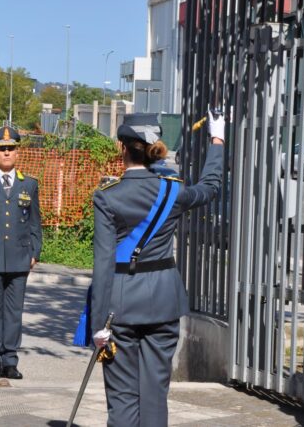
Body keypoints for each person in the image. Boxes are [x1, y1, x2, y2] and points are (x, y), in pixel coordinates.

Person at [90, 112, 225, 425]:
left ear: (122, 148)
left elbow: (103, 262)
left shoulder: (108, 196)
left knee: (123, 398)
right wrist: (217, 140)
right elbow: (211, 187)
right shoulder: (173, 191)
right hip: (164, 302)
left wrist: (98, 324)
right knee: (155, 395)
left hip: (121, 307)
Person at [0, 126, 42, 380]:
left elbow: (35, 221)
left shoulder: (30, 183)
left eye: (11, 148)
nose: (7, 153)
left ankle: (10, 359)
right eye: (2, 149)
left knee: (14, 311)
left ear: (18, 152)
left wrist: (36, 250)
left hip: (19, 257)